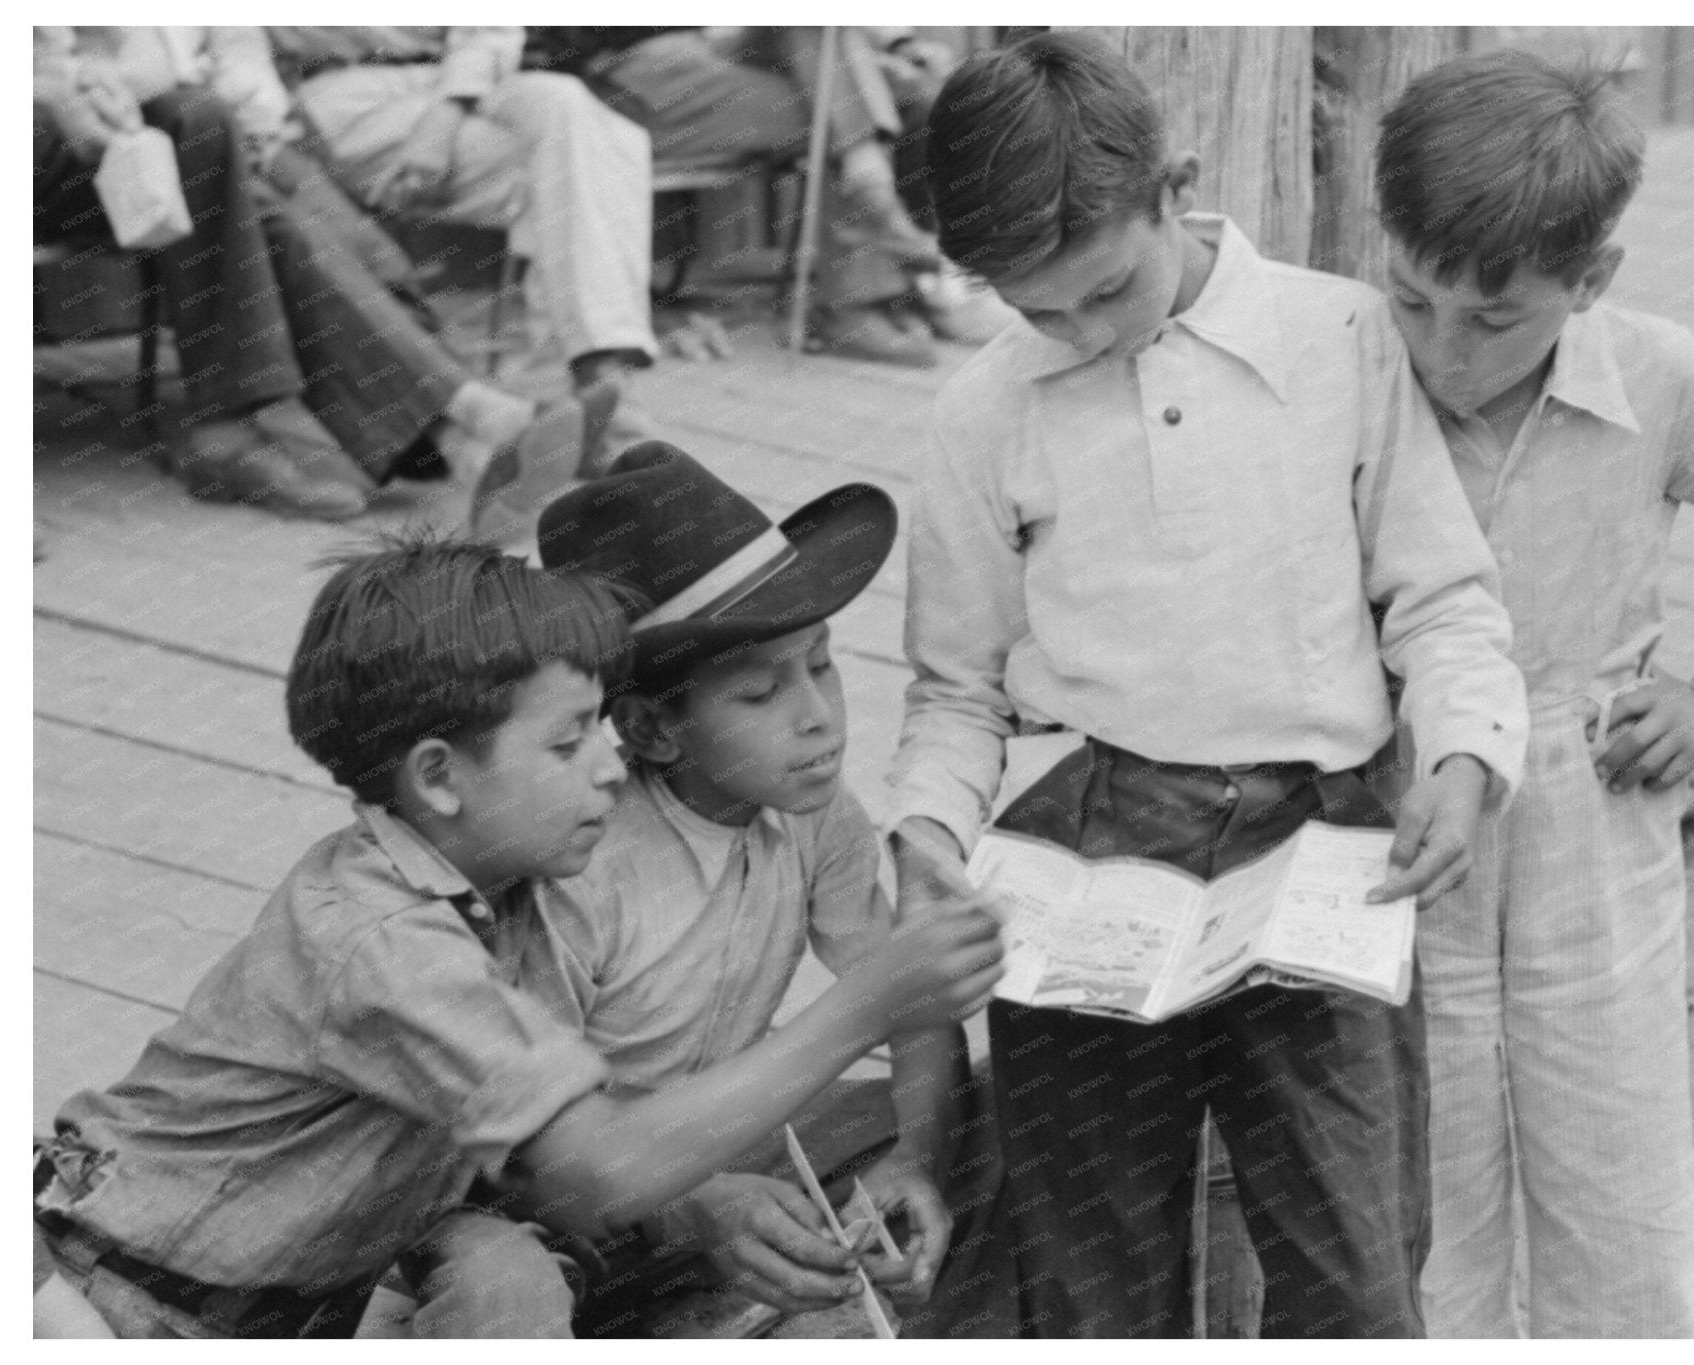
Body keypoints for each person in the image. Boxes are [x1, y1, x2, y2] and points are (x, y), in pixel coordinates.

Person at [887, 32, 1531, 1338]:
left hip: (1321, 842)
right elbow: (955, 689)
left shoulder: (1340, 339)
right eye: (1036, 310)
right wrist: (925, 837)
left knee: (1354, 1268)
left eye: (1106, 289)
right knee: (1090, 1273)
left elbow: (1442, 600)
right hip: (1093, 847)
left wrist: (1464, 756)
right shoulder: (983, 410)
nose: (1080, 334)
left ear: (1173, 188)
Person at [31, 537, 1004, 1338]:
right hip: (105, 1294)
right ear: (439, 778)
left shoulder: (480, 890)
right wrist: (864, 1005)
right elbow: (599, 1170)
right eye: (568, 741)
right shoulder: (386, 942)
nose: (609, 770)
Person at [1369, 50, 1694, 1337]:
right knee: (1423, 1216)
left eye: (1492, 319)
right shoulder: (1346, 376)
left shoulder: (1658, 374)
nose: (1442, 351)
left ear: (1590, 280)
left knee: (1616, 1199)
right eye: (1410, 299)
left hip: (1592, 814)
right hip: (1399, 821)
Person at [396, 442, 994, 1336]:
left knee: (989, 1103)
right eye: (759, 693)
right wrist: (697, 1203)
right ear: (650, 729)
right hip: (524, 1198)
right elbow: (525, 1154)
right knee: (505, 1289)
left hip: (703, 1156)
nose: (818, 716)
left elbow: (909, 1002)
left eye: (821, 663)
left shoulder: (816, 816)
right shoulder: (578, 865)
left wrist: (915, 1156)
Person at [241, 26, 666, 465]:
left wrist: (444, 117)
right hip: (341, 100)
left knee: (569, 108)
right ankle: (583, 392)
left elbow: (488, 28)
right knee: (580, 168)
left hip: (464, 79)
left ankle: (592, 376)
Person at [33, 26, 364, 520]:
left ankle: (227, 432)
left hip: (82, 137)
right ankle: (443, 411)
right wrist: (55, 86)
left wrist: (91, 75)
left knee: (201, 120)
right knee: (273, 214)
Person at [524, 26, 949, 366]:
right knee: (853, 101)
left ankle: (875, 215)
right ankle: (870, 272)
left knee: (848, 73)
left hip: (714, 53)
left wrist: (897, 41)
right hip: (630, 75)